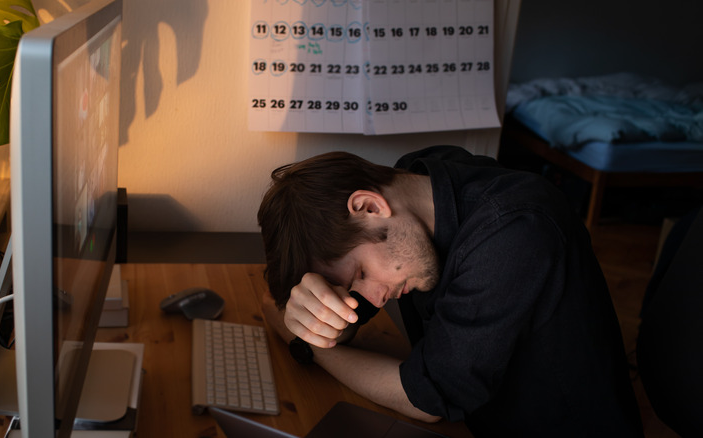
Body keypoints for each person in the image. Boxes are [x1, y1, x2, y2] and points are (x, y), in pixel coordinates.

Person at [257, 145, 644, 437]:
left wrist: (308, 345)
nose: (371, 298)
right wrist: (320, 319)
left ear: (369, 207)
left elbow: (428, 400)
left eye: (359, 274)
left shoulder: (514, 231)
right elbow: (352, 312)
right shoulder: (417, 180)